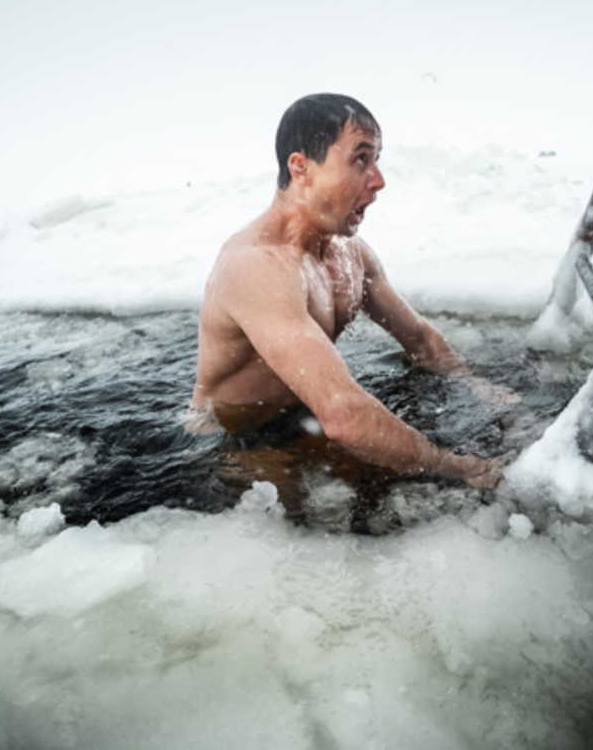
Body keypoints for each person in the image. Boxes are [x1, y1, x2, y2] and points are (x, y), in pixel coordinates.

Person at [190, 93, 514, 492]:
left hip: (305, 411)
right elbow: (344, 417)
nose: (378, 180)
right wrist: (455, 466)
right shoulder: (257, 267)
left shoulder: (349, 254)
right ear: (301, 168)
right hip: (235, 439)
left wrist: (485, 391)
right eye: (361, 159)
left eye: (377, 160)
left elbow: (422, 341)